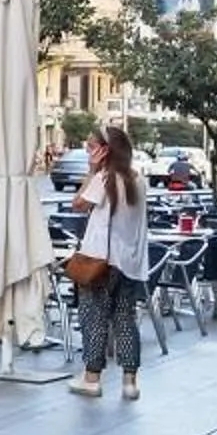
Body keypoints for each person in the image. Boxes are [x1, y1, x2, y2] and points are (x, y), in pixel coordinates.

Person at [69, 128, 151, 400]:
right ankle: (130, 381)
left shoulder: (104, 178)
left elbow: (78, 204)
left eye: (92, 146)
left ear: (105, 150)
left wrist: (92, 170)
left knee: (95, 318)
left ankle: (92, 378)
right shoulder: (138, 180)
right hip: (129, 262)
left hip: (100, 262)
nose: (89, 151)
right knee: (125, 319)